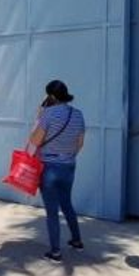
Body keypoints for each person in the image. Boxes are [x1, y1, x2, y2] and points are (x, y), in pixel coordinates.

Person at [27, 80, 87, 263]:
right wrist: (67, 156)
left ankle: (55, 252)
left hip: (49, 167)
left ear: (51, 96)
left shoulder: (48, 114)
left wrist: (38, 118)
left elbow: (35, 141)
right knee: (67, 203)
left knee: (52, 211)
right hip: (69, 166)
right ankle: (77, 241)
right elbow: (80, 143)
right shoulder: (78, 114)